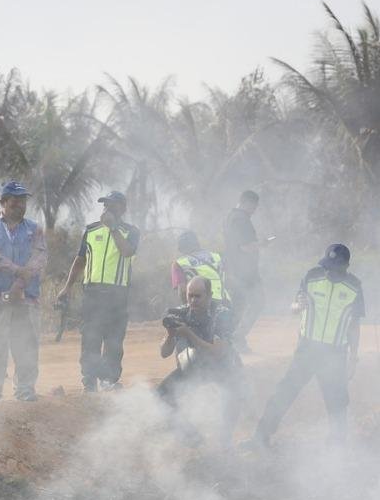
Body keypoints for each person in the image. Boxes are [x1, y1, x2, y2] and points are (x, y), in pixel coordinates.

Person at [254, 244, 363, 444]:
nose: (330, 272)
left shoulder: (354, 287)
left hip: (335, 353)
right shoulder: (312, 276)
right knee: (285, 391)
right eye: (328, 267)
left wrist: (353, 358)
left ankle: (338, 445)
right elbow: (294, 306)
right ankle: (260, 437)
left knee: (337, 402)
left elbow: (354, 325)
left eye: (336, 268)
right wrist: (297, 306)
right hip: (307, 349)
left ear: (346, 266)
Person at [57, 191, 140, 392]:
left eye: (113, 205)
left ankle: (109, 380)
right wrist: (67, 287)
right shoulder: (91, 230)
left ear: (123, 209)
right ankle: (89, 382)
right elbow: (80, 260)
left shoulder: (131, 231)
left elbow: (127, 252)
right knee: (90, 338)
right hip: (93, 293)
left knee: (114, 340)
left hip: (117, 294)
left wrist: (113, 229)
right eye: (105, 205)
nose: (108, 209)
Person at [0, 181, 47, 404]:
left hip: (26, 297)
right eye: (15, 201)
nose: (20, 206)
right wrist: (19, 272)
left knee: (26, 345)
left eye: (23, 201)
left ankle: (25, 390)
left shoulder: (34, 228)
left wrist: (18, 285)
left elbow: (41, 257)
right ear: (3, 203)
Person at [156, 276, 241, 445]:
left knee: (234, 396)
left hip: (223, 366)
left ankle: (225, 440)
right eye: (190, 295)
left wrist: (188, 334)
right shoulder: (180, 313)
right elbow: (164, 353)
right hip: (194, 366)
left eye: (198, 296)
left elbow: (218, 352)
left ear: (209, 295)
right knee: (161, 397)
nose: (193, 300)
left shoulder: (222, 314)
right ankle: (192, 438)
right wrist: (171, 335)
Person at [223, 190, 264, 352]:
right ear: (248, 203)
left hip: (234, 269)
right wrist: (262, 244)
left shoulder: (229, 217)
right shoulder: (242, 219)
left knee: (238, 306)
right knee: (257, 302)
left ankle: (231, 341)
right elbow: (246, 246)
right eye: (254, 206)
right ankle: (236, 339)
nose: (254, 210)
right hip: (245, 272)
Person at [172, 231, 228, 306]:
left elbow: (182, 291)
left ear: (181, 248)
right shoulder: (216, 256)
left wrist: (188, 309)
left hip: (203, 307)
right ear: (197, 244)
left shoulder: (179, 263)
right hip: (225, 302)